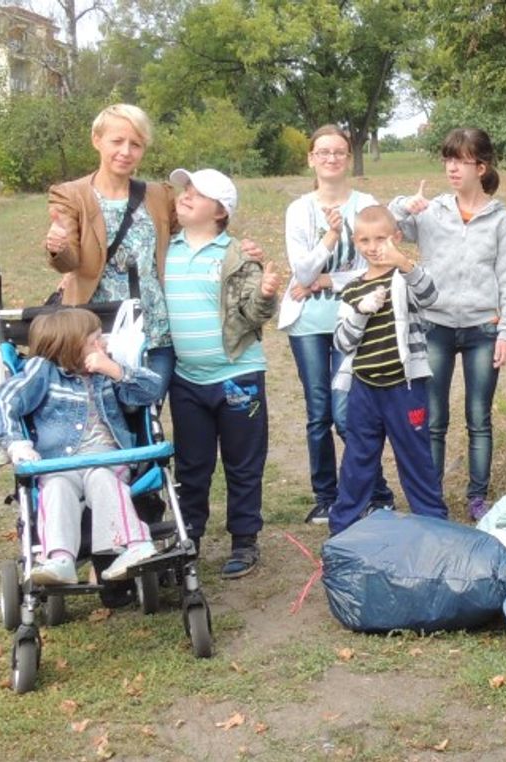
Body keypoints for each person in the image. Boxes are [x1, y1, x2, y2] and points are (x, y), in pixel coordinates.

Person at [389, 128, 506, 521]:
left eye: (459, 160)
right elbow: (391, 228)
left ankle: (477, 497)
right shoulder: (432, 212)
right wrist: (404, 206)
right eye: (447, 159)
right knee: (433, 420)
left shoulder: (503, 221)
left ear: (480, 167)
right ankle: (431, 499)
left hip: (483, 329)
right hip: (435, 327)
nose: (450, 168)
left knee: (479, 419)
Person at [163, 168, 281, 579]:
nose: (186, 196)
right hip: (187, 380)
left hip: (238, 377)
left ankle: (244, 540)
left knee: (242, 463)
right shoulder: (167, 249)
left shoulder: (237, 255)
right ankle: (188, 537)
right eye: (186, 190)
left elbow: (252, 314)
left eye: (198, 193)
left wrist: (266, 294)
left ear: (220, 211)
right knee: (192, 464)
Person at [0, 308, 163, 585]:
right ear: (69, 347)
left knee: (104, 479)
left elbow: (153, 390)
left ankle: (135, 545)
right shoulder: (43, 371)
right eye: (95, 339)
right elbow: (4, 401)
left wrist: (115, 371)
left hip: (106, 456)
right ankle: (59, 558)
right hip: (58, 460)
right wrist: (15, 444)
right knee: (55, 487)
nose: (104, 343)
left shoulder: (108, 369)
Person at [281, 125, 394, 525]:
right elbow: (302, 269)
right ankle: (326, 496)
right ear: (311, 157)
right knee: (318, 413)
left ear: (348, 158)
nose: (331, 158)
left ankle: (376, 491)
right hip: (308, 324)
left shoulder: (366, 205)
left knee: (349, 413)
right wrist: (330, 238)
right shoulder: (299, 209)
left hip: (355, 319)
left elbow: (377, 264)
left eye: (339, 152)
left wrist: (328, 280)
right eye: (323, 152)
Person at [327, 206, 448, 536]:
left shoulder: (404, 279)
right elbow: (342, 342)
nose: (372, 246)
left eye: (381, 238)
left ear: (396, 238)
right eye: (364, 240)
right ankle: (343, 530)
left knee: (416, 460)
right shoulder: (352, 289)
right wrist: (360, 313)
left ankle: (436, 529)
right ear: (355, 242)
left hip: (405, 388)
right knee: (357, 461)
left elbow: (431, 296)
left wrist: (404, 263)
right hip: (364, 390)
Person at [44, 104, 179, 396]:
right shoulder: (72, 194)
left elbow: (188, 240)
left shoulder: (160, 195)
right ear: (97, 140)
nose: (126, 151)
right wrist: (58, 246)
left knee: (147, 405)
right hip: (96, 331)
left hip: (155, 330)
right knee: (104, 419)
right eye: (117, 141)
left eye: (136, 144)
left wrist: (237, 251)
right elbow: (69, 261)